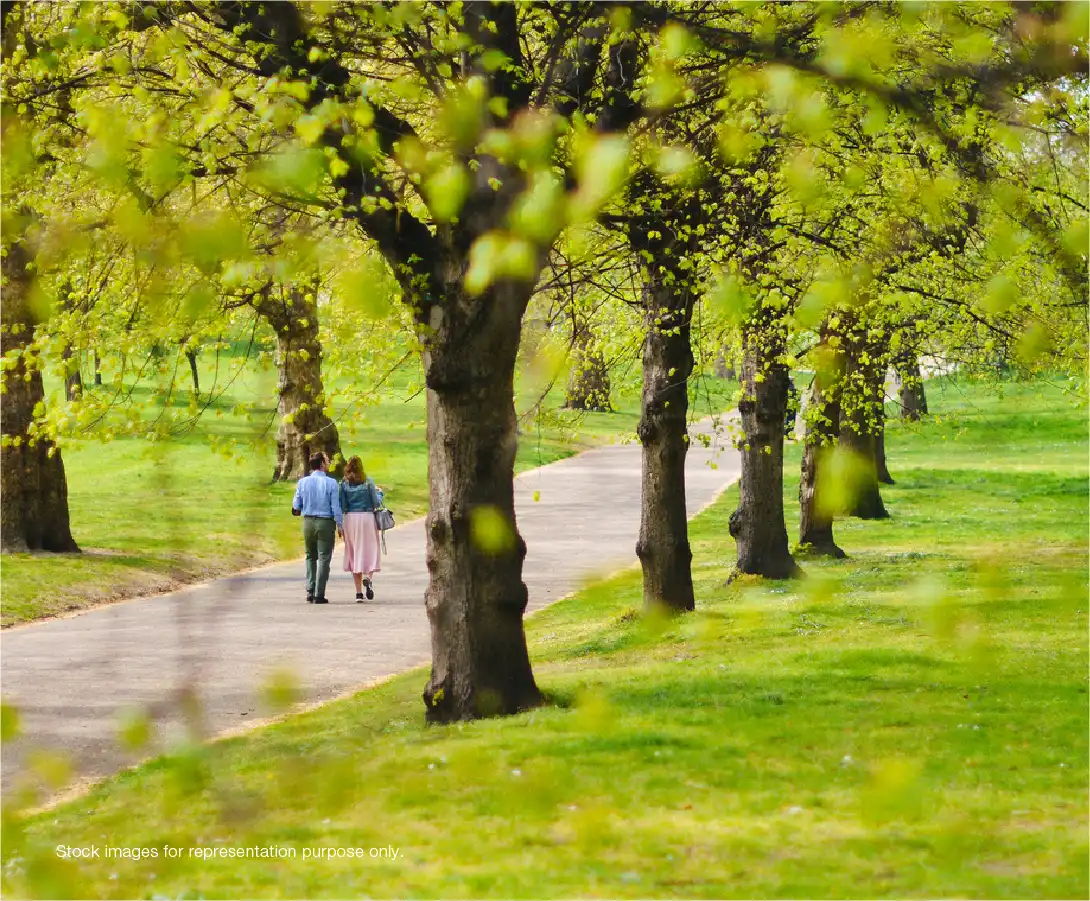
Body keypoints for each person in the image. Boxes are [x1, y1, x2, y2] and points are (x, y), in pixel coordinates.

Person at [291, 451, 343, 605]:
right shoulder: (331, 483)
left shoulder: (302, 482)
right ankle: (319, 593)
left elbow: (296, 505)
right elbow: (335, 507)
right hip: (325, 522)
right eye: (327, 460)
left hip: (308, 521)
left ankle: (310, 589)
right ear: (321, 464)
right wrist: (340, 524)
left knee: (310, 556)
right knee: (324, 557)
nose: (329, 462)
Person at [338, 455, 383, 602]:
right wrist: (380, 493)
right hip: (367, 517)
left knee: (353, 552)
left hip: (350, 518)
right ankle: (368, 578)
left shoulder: (344, 484)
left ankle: (358, 593)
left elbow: (342, 505)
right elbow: (376, 503)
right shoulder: (368, 481)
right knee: (370, 549)